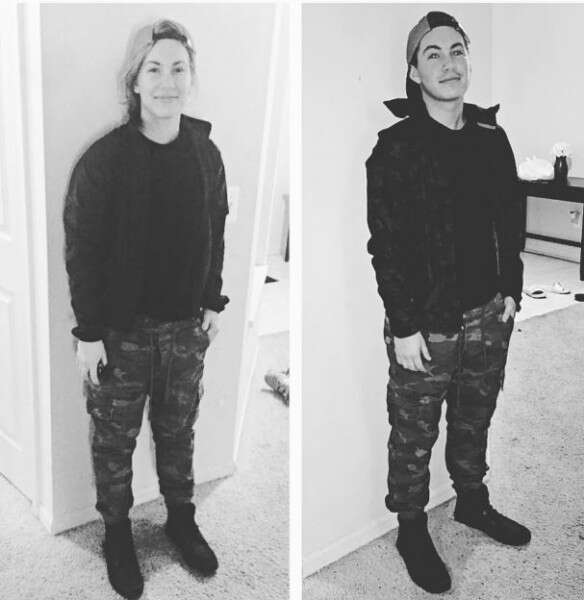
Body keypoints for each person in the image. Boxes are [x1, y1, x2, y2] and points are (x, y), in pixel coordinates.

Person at [63, 19, 228, 600]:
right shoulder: (104, 160)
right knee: (114, 441)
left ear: (191, 77)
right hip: (119, 333)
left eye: (178, 68)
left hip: (186, 329)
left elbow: (217, 229)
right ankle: (117, 533)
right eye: (153, 69)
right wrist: (88, 333)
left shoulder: (206, 154)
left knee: (178, 431)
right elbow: (81, 250)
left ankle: (181, 519)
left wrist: (213, 298)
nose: (167, 81)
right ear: (134, 80)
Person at [366, 11, 530, 594]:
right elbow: (384, 246)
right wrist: (403, 325)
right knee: (413, 434)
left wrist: (511, 287)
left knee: (474, 416)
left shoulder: (491, 138)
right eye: (432, 53)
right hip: (426, 326)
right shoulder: (394, 149)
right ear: (414, 71)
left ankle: (471, 501)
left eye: (457, 50)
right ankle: (411, 529)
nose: (449, 63)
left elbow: (510, 217)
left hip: (488, 313)